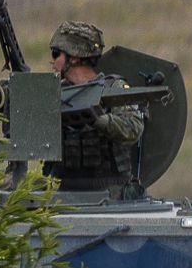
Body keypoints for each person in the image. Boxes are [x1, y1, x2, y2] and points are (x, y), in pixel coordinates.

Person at [45, 20, 145, 192]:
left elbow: (133, 128)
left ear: (74, 58)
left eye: (56, 54)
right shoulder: (56, 93)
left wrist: (98, 119)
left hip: (111, 190)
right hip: (64, 189)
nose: (51, 61)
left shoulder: (112, 88)